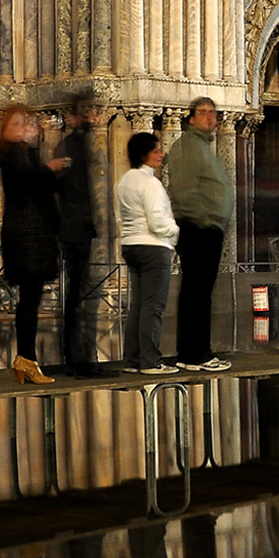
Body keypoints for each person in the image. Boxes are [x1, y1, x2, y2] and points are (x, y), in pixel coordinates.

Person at [0, 105, 67, 384]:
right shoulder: (12, 154)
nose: (25, 128)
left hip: (31, 234)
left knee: (31, 300)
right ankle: (26, 360)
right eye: (18, 123)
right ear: (6, 129)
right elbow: (25, 187)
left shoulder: (24, 154)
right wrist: (49, 170)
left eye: (28, 123)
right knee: (29, 301)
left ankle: (25, 360)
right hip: (25, 235)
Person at [163, 96, 234, 373]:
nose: (209, 117)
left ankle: (197, 352)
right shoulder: (188, 146)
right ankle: (194, 354)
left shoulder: (201, 147)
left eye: (212, 113)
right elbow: (184, 189)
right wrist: (205, 221)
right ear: (190, 118)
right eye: (202, 112)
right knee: (196, 292)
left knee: (201, 292)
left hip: (206, 228)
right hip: (198, 228)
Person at [116, 131, 179, 375]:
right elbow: (157, 221)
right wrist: (175, 232)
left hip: (131, 245)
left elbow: (120, 217)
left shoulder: (123, 181)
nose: (161, 154)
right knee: (153, 306)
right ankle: (151, 361)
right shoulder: (150, 182)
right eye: (156, 151)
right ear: (143, 155)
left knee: (138, 306)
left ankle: (131, 360)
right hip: (153, 246)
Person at [56, 93, 100, 376]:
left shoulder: (83, 145)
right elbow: (66, 190)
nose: (90, 117)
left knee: (81, 291)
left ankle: (81, 355)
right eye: (84, 112)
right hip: (74, 228)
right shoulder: (70, 146)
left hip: (80, 226)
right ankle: (75, 357)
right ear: (72, 117)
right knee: (77, 294)